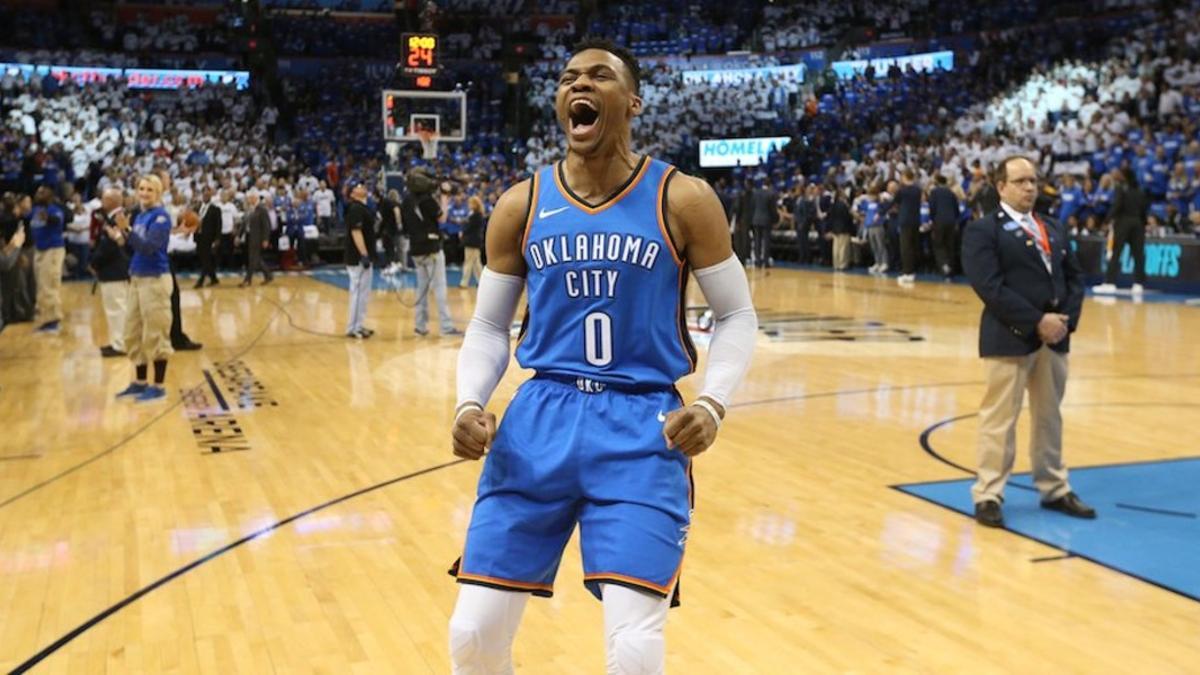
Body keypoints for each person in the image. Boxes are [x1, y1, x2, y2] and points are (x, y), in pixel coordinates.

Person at [447, 39, 758, 674]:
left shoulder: (683, 198)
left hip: (642, 428)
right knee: (472, 635)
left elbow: (737, 314)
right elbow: (487, 325)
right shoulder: (521, 203)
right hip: (538, 424)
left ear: (632, 102)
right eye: (566, 79)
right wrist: (469, 401)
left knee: (634, 651)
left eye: (597, 76)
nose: (576, 86)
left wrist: (715, 403)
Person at [961, 155, 1094, 528]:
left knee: (1050, 418)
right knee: (999, 420)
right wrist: (1037, 322)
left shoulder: (1052, 227)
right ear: (1001, 187)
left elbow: (1075, 278)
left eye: (1033, 181)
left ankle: (1054, 487)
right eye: (1020, 181)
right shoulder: (984, 230)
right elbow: (989, 287)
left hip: (1054, 339)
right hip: (1010, 337)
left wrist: (1064, 323)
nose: (1029, 188)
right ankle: (988, 493)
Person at [111, 175, 175, 403]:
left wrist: (127, 228)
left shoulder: (161, 217)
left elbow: (148, 247)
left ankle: (158, 386)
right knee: (132, 331)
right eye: (141, 189)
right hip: (137, 277)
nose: (144, 193)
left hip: (155, 279)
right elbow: (135, 247)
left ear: (158, 193)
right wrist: (124, 234)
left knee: (156, 333)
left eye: (149, 189)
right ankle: (139, 383)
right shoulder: (141, 215)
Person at [401, 167, 460, 337]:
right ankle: (446, 327)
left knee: (422, 289)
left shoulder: (407, 201)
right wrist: (444, 197)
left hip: (416, 249)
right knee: (439, 288)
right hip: (431, 248)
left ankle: (420, 326)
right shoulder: (427, 200)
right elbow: (442, 218)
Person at [1093, 168, 1150, 295]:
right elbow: (1144, 209)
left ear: (1124, 177)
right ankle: (1138, 284)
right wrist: (1144, 223)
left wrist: (1106, 221)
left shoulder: (1120, 188)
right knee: (1138, 254)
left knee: (1116, 253)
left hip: (1123, 222)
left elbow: (1117, 206)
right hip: (1138, 224)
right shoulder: (1140, 191)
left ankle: (1109, 283)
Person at [91, 188, 130, 357]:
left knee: (117, 309)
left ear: (113, 201)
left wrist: (94, 262)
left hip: (114, 268)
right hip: (117, 269)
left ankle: (120, 344)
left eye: (105, 199)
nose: (102, 202)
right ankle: (118, 342)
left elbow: (110, 245)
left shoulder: (117, 218)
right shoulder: (115, 217)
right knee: (118, 308)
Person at [29, 185, 67, 332]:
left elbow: (57, 220)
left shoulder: (54, 209)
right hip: (39, 249)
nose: (38, 194)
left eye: (42, 192)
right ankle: (45, 317)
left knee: (49, 284)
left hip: (52, 250)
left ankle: (53, 321)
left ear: (50, 196)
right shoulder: (35, 210)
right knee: (41, 285)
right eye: (37, 192)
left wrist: (48, 217)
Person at [343, 180, 375, 339]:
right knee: (357, 292)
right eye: (358, 186)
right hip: (357, 259)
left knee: (363, 293)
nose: (362, 187)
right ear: (352, 193)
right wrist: (364, 254)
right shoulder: (355, 208)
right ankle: (353, 327)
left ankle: (359, 324)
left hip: (363, 257)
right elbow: (356, 232)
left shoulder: (364, 208)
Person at [927, 174, 961, 279]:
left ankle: (944, 266)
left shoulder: (934, 192)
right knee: (950, 245)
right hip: (951, 221)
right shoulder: (951, 193)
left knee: (938, 245)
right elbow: (956, 209)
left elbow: (932, 207)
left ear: (937, 182)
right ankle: (951, 269)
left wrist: (932, 220)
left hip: (939, 221)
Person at [239, 191, 274, 286]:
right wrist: (239, 235)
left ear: (255, 198)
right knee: (256, 259)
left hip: (257, 237)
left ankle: (247, 280)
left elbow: (266, 225)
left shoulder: (262, 209)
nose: (248, 200)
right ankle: (268, 275)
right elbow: (244, 224)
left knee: (253, 258)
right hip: (249, 236)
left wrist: (266, 239)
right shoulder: (250, 209)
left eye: (249, 198)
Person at [194, 186, 222, 288]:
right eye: (204, 194)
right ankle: (214, 279)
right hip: (199, 237)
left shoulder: (216, 209)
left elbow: (219, 225)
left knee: (206, 259)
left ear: (210, 196)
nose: (205, 196)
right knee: (204, 259)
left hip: (209, 238)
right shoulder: (198, 208)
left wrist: (217, 239)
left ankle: (200, 281)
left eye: (207, 194)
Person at [459, 195, 485, 287]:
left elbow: (469, 227)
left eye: (470, 203)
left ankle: (464, 283)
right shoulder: (478, 215)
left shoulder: (475, 216)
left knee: (468, 262)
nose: (468, 205)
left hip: (472, 241)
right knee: (476, 264)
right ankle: (482, 281)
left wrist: (462, 232)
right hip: (476, 241)